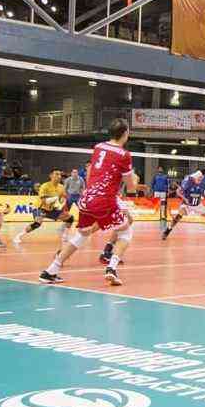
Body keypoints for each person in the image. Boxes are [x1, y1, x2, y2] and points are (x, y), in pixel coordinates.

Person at [38, 119, 138, 286]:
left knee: (82, 234)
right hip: (105, 200)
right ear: (125, 133)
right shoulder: (124, 155)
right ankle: (111, 268)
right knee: (126, 232)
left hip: (87, 198)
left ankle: (50, 271)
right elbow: (130, 186)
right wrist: (133, 184)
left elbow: (94, 171)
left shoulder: (98, 147)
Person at [14, 169, 74, 245]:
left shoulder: (61, 187)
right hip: (40, 208)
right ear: (51, 176)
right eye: (56, 174)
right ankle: (18, 236)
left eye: (60, 175)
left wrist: (62, 201)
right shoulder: (45, 186)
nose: (59, 176)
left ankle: (65, 236)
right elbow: (44, 201)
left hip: (51, 209)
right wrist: (54, 198)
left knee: (70, 218)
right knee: (37, 223)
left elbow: (63, 197)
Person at [162, 170, 205, 241]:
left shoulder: (202, 184)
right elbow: (178, 192)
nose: (201, 179)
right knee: (177, 217)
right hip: (187, 205)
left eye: (201, 178)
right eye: (199, 177)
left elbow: (202, 193)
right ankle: (167, 231)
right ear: (195, 178)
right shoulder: (188, 184)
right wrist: (185, 199)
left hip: (198, 205)